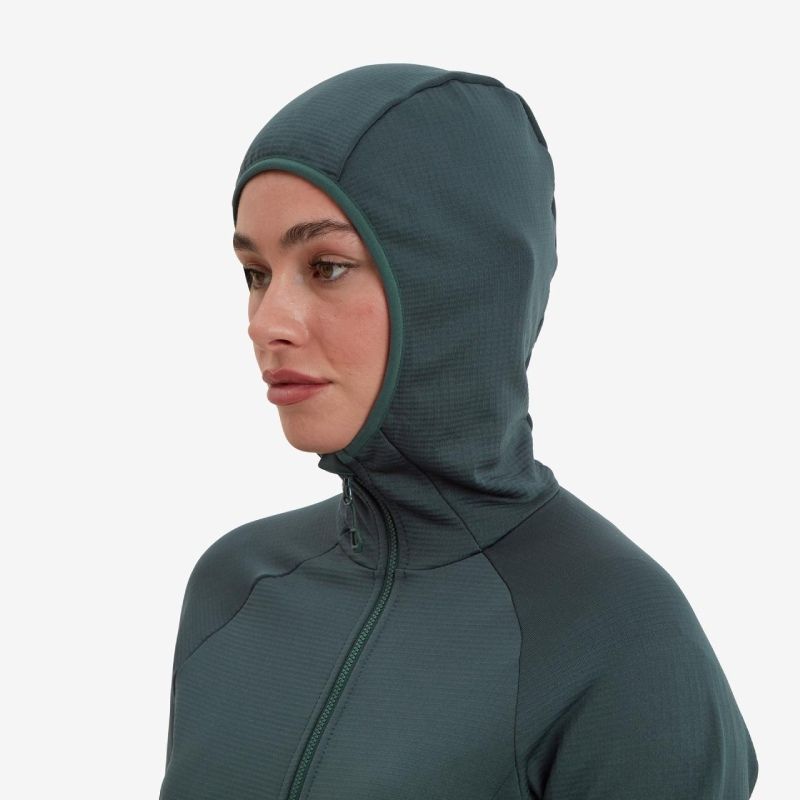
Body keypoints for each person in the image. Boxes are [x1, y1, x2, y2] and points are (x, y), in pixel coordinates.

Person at [159, 63, 758, 799]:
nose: (266, 323)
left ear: (456, 283)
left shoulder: (621, 638)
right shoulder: (236, 586)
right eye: (256, 272)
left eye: (327, 266)